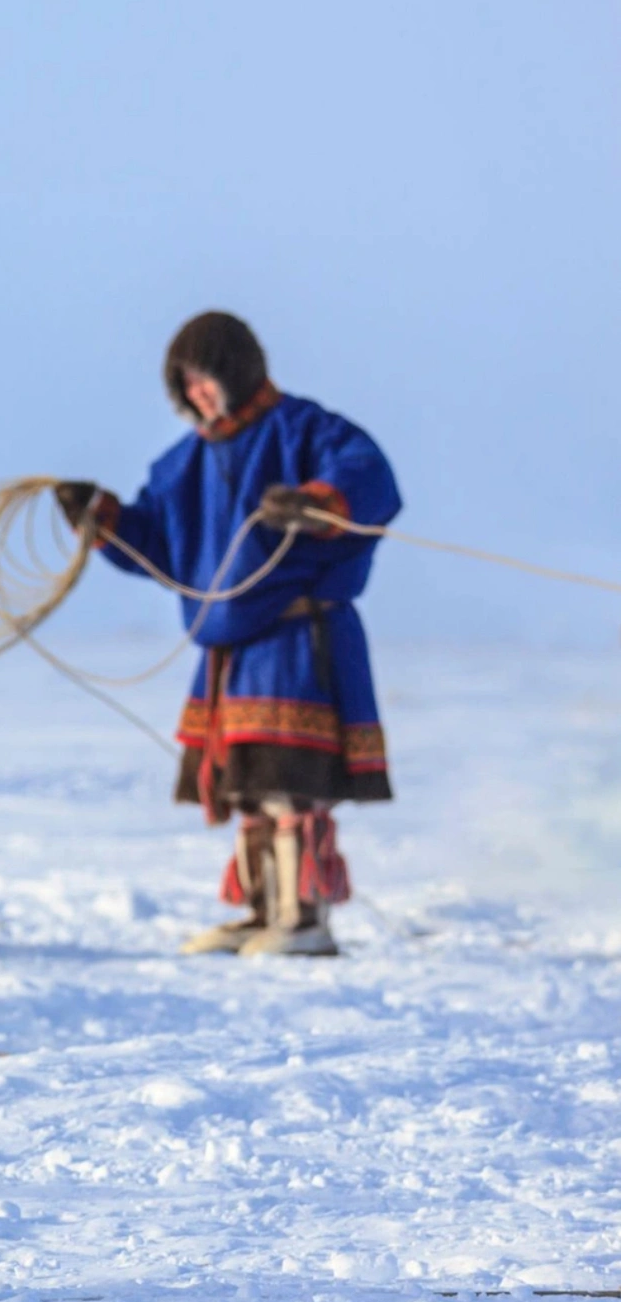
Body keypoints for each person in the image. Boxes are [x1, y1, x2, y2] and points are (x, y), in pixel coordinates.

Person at [58, 311, 400, 957]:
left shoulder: (307, 430)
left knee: (288, 782)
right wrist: (100, 517)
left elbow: (369, 476)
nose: (197, 395)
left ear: (235, 371)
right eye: (185, 385)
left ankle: (305, 919)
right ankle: (262, 910)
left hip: (299, 637)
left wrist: (315, 503)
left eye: (205, 379)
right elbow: (155, 544)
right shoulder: (181, 464)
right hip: (229, 649)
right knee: (245, 787)